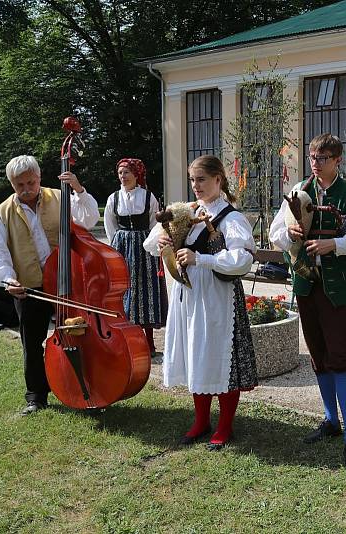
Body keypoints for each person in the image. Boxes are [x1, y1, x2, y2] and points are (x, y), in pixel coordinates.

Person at [269, 133, 346, 475]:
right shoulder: (297, 192)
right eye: (312, 157)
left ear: (337, 161)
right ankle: (331, 420)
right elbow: (275, 234)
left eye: (323, 158)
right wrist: (288, 234)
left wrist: (335, 244)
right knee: (319, 355)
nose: (316, 163)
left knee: (341, 358)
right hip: (306, 284)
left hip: (337, 288)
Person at [143, 155, 258, 450]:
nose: (196, 186)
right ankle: (201, 421)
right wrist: (163, 242)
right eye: (192, 180)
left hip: (218, 299)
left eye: (202, 180)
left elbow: (242, 260)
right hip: (190, 297)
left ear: (218, 180)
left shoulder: (231, 218)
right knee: (197, 355)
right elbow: (151, 241)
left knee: (219, 358)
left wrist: (200, 258)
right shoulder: (187, 211)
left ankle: (225, 425)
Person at [0, 155, 99, 415]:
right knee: (32, 342)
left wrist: (78, 189)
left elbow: (89, 218)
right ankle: (36, 396)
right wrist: (7, 279)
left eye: (31, 183)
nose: (26, 189)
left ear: (39, 177)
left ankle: (88, 389)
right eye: (19, 185)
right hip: (29, 286)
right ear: (12, 184)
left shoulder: (60, 196)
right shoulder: (2, 213)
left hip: (66, 283)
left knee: (80, 336)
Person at [104, 158, 166, 359]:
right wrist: (116, 245)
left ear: (136, 175)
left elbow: (153, 224)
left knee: (145, 291)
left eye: (126, 173)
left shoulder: (148, 197)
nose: (123, 177)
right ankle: (126, 339)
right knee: (124, 289)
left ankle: (148, 341)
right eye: (120, 173)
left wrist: (150, 244)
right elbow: (110, 225)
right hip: (122, 246)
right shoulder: (114, 198)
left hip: (143, 245)